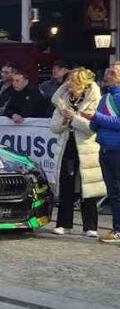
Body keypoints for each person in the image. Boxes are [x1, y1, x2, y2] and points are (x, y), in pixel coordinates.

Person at [48, 68, 106, 237]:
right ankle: (64, 224)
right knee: (66, 184)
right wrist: (66, 119)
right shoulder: (63, 100)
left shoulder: (94, 101)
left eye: (72, 81)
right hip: (67, 146)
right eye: (68, 81)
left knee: (87, 187)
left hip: (87, 148)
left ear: (81, 83)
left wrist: (74, 118)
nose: (68, 84)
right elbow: (54, 127)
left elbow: (92, 128)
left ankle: (90, 226)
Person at [88, 66, 120, 243]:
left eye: (113, 73)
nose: (107, 76)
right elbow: (94, 125)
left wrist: (96, 118)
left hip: (117, 150)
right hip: (105, 150)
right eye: (107, 72)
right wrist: (93, 119)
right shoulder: (105, 97)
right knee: (113, 192)